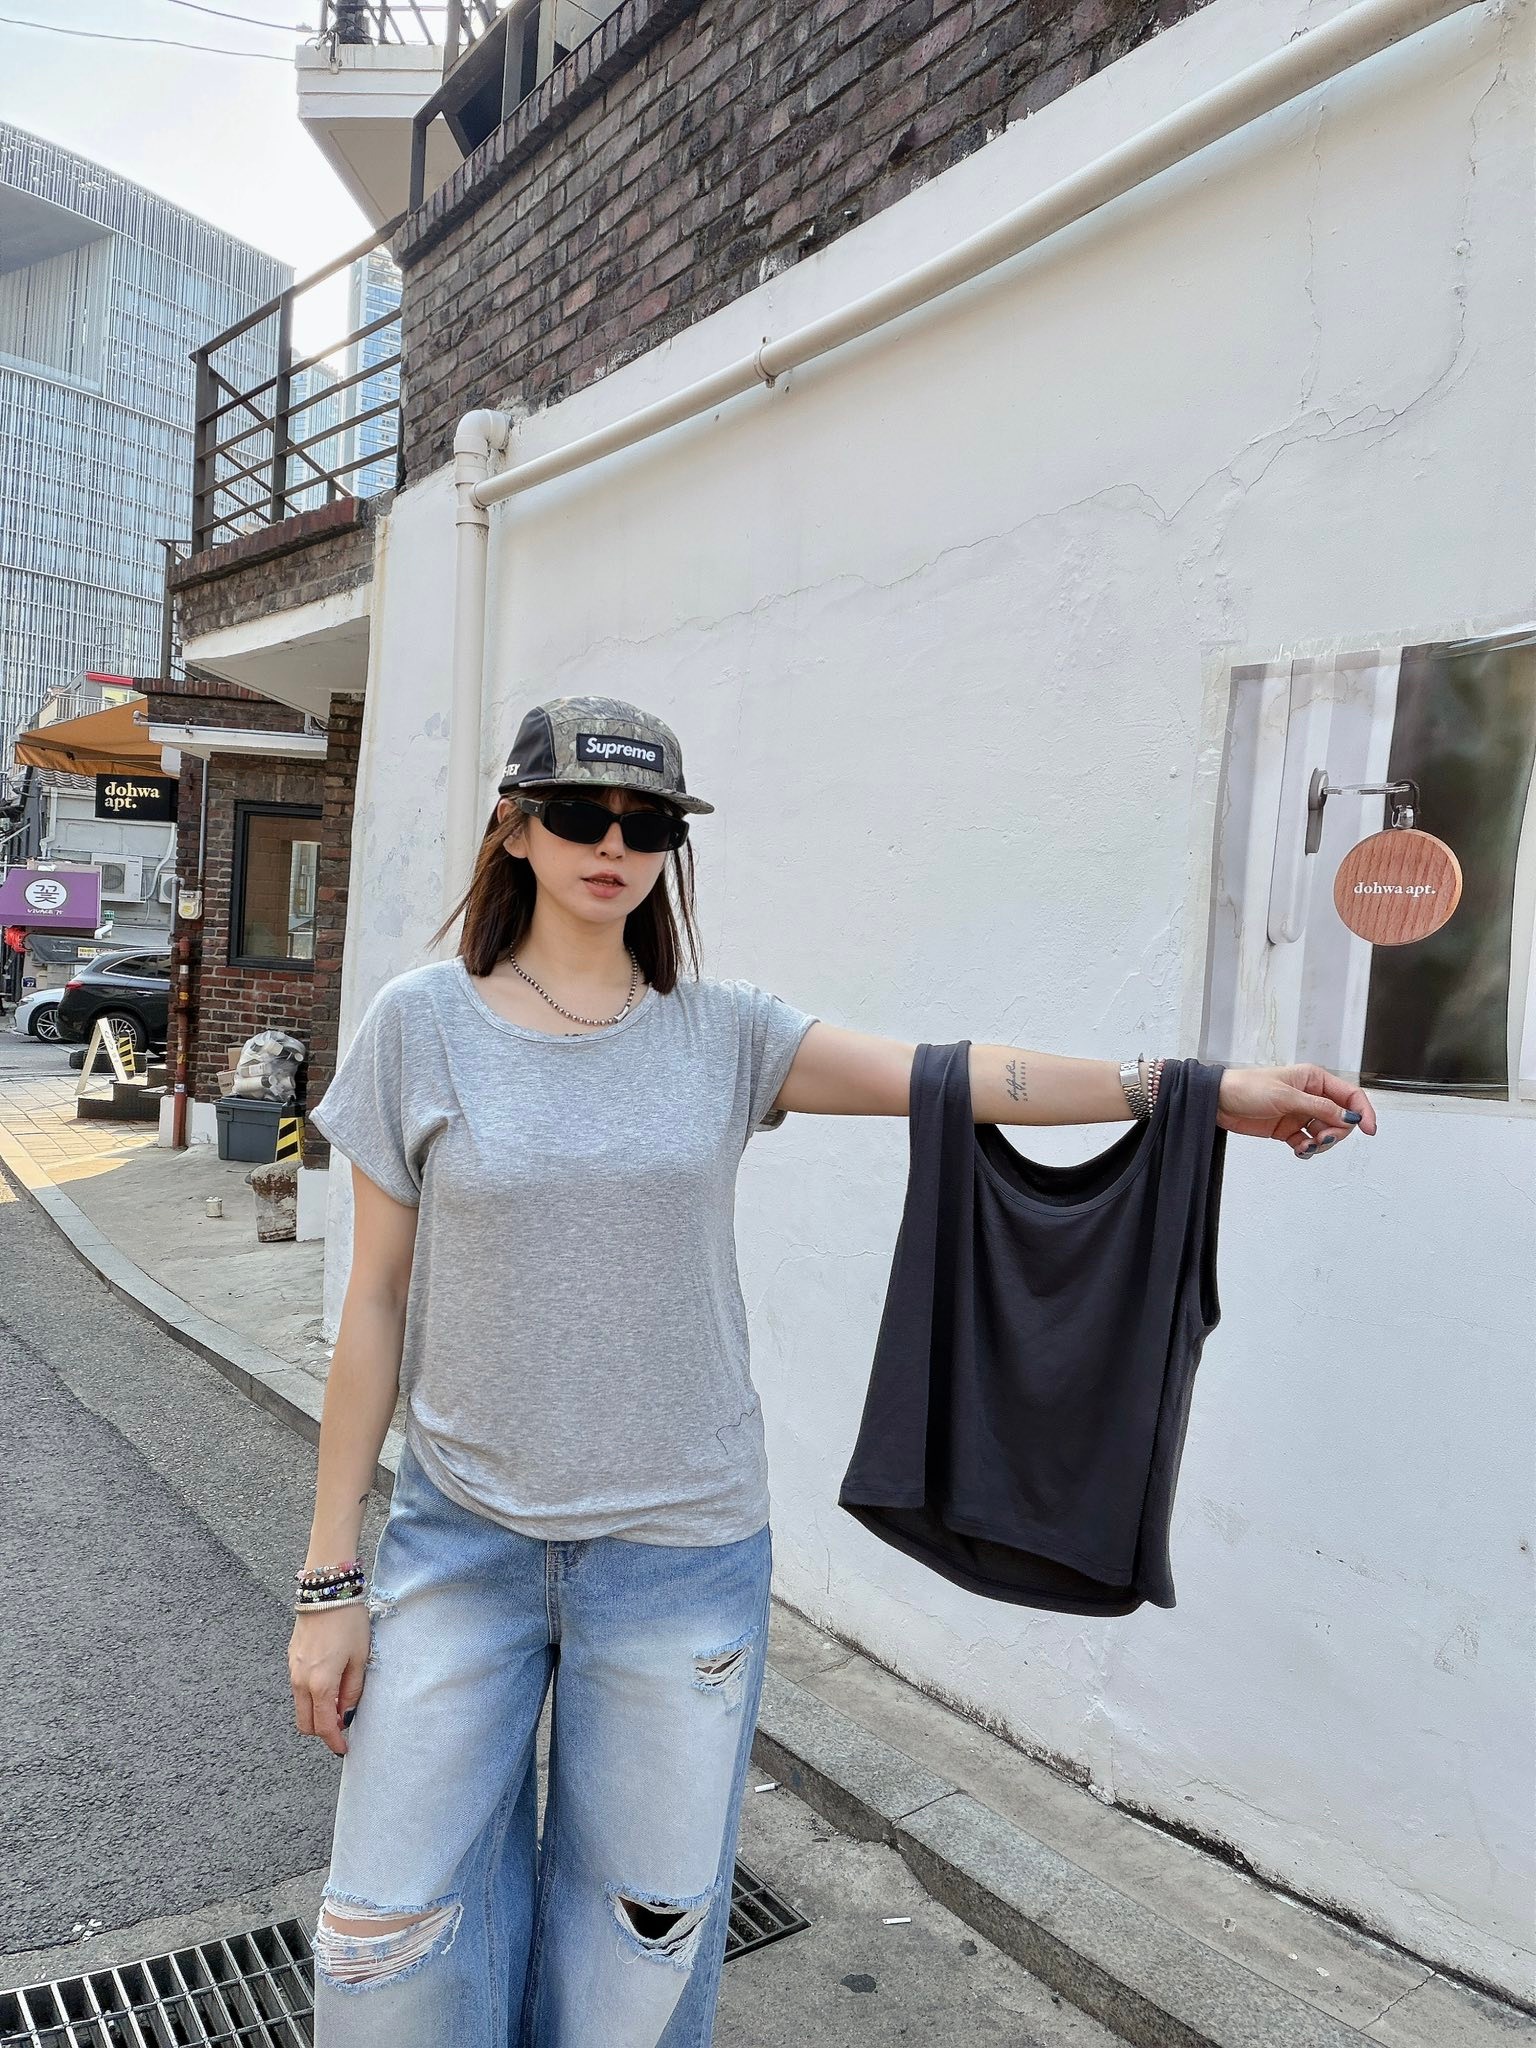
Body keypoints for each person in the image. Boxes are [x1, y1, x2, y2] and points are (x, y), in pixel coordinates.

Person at [289, 694, 1375, 2047]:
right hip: (461, 1544)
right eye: (578, 814)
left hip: (677, 1554)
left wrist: (1195, 1091)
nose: (612, 844)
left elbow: (955, 1076)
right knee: (387, 1934)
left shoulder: (724, 1034)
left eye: (646, 825)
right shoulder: (421, 1025)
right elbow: (376, 1302)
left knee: (636, 1949)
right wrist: (330, 1577)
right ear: (513, 829)